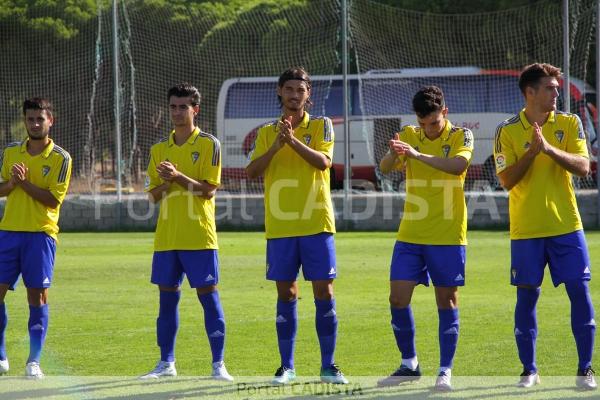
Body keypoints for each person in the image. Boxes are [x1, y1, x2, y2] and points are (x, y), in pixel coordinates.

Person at [494, 63, 596, 390]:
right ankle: (529, 370)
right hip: (526, 230)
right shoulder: (507, 130)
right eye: (550, 88)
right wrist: (530, 154)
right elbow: (507, 180)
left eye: (556, 88)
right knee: (527, 297)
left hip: (566, 224)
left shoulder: (569, 122)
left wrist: (549, 149)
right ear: (530, 92)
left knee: (580, 292)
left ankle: (585, 370)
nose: (556, 94)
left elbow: (584, 167)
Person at [246, 67, 348, 385]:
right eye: (288, 89)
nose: (293, 95)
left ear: (308, 95)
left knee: (324, 291)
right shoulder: (265, 133)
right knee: (286, 293)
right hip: (280, 227)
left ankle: (328, 366)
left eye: (299, 90)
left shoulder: (322, 125)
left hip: (317, 222)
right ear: (279, 92)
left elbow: (324, 162)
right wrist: (277, 145)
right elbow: (251, 172)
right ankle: (287, 366)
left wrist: (292, 142)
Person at [377, 86, 473, 391]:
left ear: (444, 112)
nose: (427, 129)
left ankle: (444, 370)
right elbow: (384, 167)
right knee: (397, 298)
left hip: (447, 234)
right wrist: (394, 153)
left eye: (433, 123)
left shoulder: (461, 135)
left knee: (446, 300)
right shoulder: (408, 133)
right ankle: (410, 364)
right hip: (411, 233)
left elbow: (459, 165)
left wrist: (418, 154)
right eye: (422, 124)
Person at [141, 83, 232, 382]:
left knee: (209, 298)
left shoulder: (209, 144)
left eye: (183, 107)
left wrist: (177, 176)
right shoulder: (158, 149)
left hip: (199, 235)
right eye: (173, 107)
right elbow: (153, 196)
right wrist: (168, 182)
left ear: (195, 110)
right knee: (166, 302)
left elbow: (208, 190)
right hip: (167, 238)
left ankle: (218, 364)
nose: (178, 112)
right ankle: (166, 362)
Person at [0, 98, 72, 379]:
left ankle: (33, 361)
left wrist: (24, 183)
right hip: (8, 232)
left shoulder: (60, 158)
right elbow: (2, 188)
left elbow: (53, 200)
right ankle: (2, 356)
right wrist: (12, 184)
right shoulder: (10, 153)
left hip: (41, 236)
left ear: (50, 121)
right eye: (30, 119)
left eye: (40, 119)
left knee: (37, 296)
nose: (34, 124)